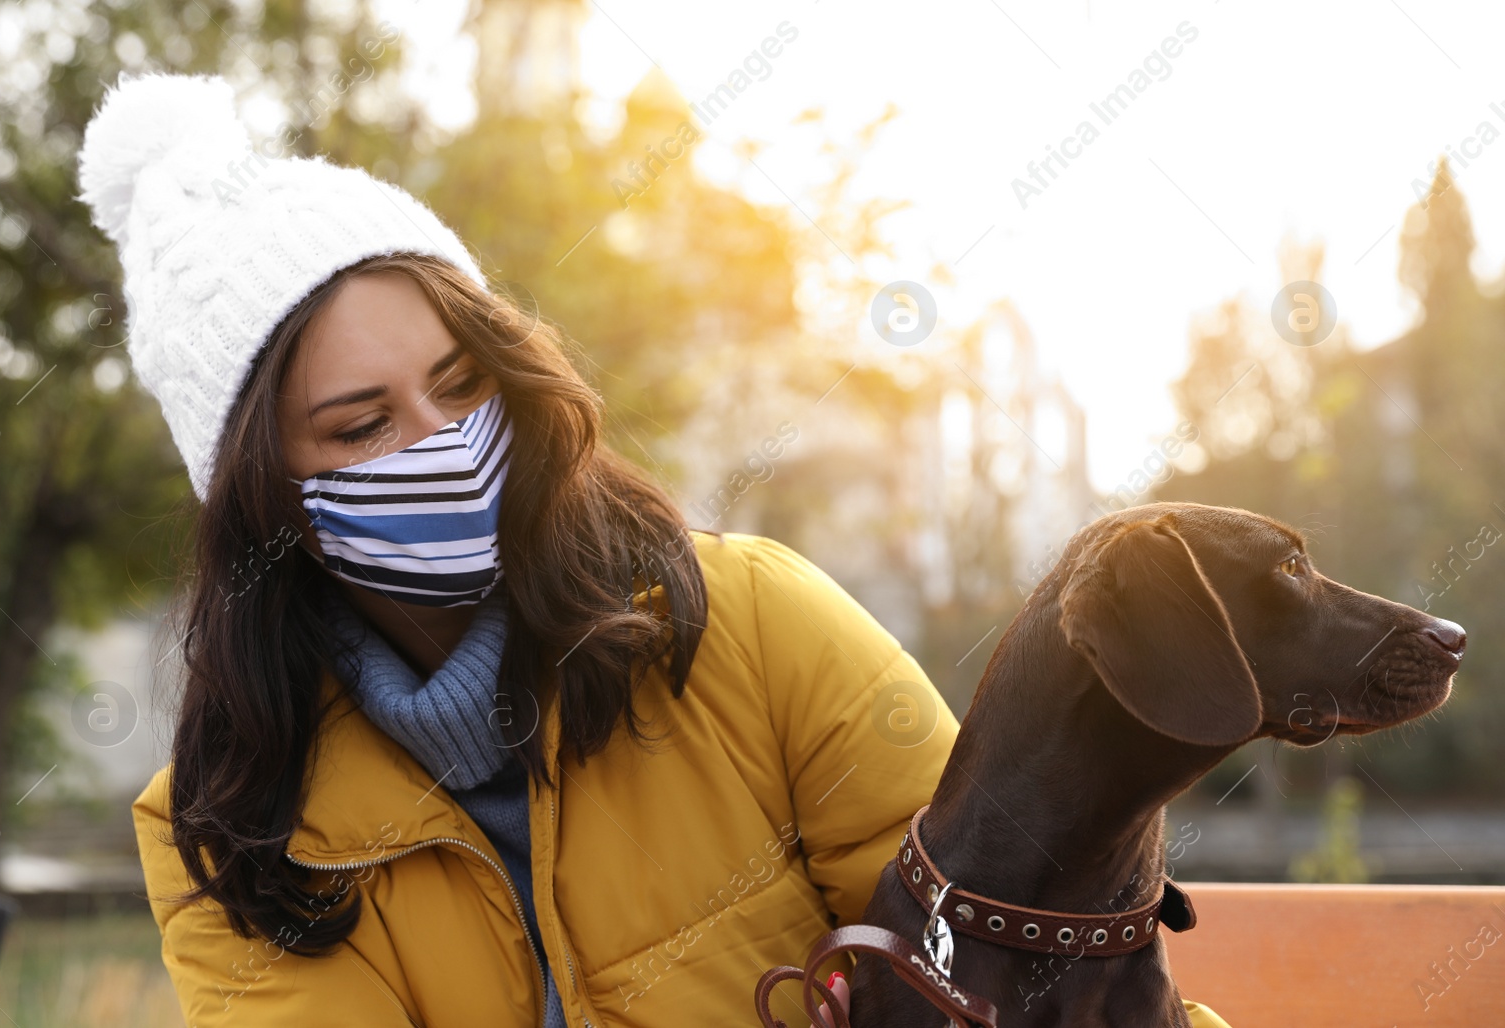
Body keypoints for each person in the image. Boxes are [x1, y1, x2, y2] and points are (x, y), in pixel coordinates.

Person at [75, 71, 1231, 1028]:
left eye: (462, 382)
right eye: (361, 426)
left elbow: (1033, 952)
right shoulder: (227, 825)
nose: (444, 445)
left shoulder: (753, 622)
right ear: (265, 502)